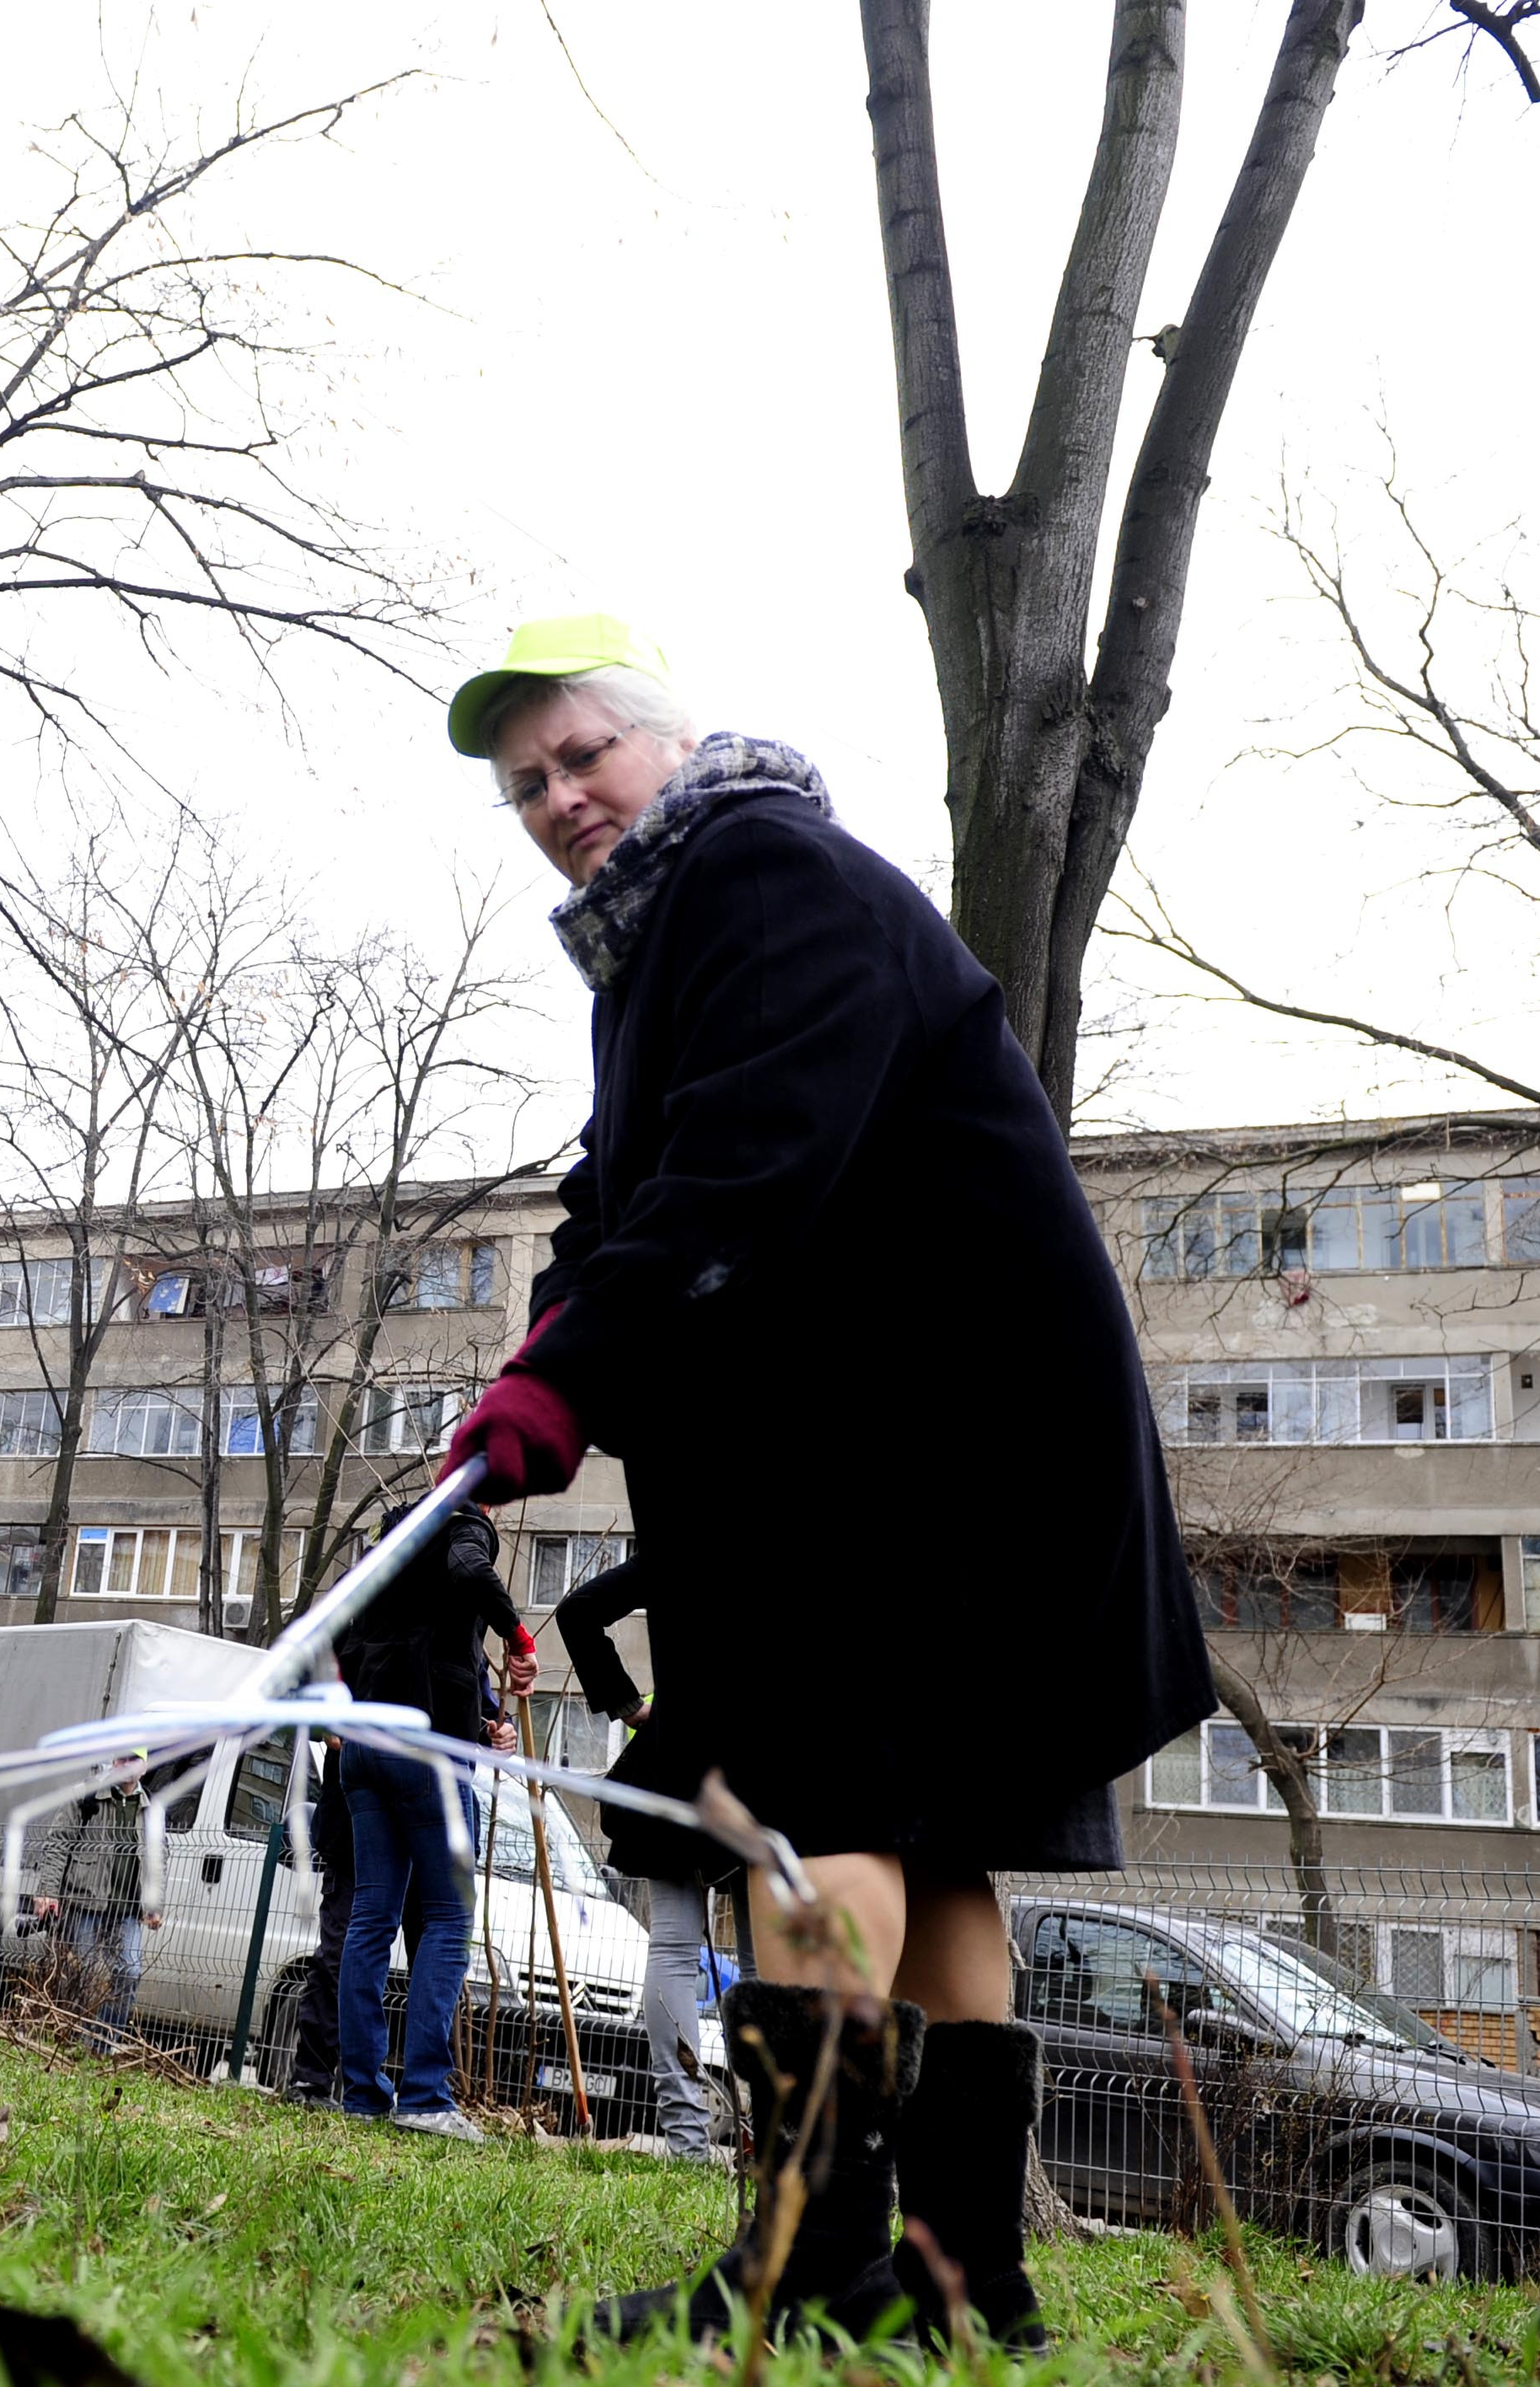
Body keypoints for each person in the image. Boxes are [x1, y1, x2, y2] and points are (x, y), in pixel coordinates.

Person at [433, 618, 1207, 2347]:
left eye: (580, 757)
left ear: (665, 745)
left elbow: (747, 1161)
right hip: (949, 1446)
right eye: (526, 787)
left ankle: (810, 2267)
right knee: (928, 1855)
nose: (559, 800)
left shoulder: (756, 870)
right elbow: (618, 1199)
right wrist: (549, 1344)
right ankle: (957, 2280)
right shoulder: (675, 939)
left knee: (816, 1817)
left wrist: (573, 1370)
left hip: (909, 1442)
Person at [327, 1497, 534, 2141]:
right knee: (449, 1917)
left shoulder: (388, 1546)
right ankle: (423, 2096)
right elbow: (471, 1573)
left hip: (366, 1750)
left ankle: (361, 2093)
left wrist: (483, 1722)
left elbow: (347, 1635)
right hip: (428, 1755)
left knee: (370, 1918)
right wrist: (518, 1635)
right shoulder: (465, 1524)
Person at [555, 1553, 740, 2161]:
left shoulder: (681, 1542)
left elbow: (579, 1610)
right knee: (768, 1964)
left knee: (673, 1949)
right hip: (758, 1767)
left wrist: (630, 1706)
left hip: (674, 1763)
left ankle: (687, 2140)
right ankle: (771, 2142)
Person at [30, 1767, 159, 2052]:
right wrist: (48, 1892)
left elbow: (158, 1859)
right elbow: (58, 1842)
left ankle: (102, 2045)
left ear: (144, 1766)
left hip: (127, 1910)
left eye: (134, 1759)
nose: (127, 1765)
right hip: (85, 1901)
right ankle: (72, 2040)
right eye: (122, 1758)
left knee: (129, 1971)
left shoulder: (151, 1810)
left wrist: (153, 1904)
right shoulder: (87, 1796)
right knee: (84, 1974)